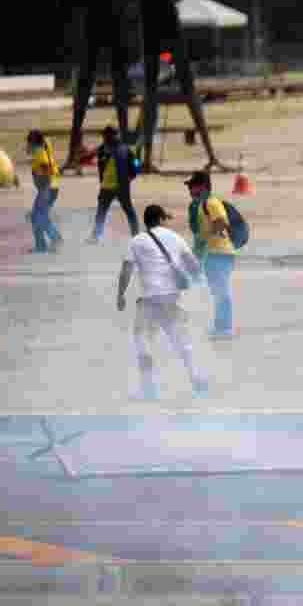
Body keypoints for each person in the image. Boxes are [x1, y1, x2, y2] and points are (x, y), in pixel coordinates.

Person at [117, 204, 208, 400]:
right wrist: (196, 284)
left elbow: (126, 270)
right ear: (159, 219)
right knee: (182, 341)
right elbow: (194, 266)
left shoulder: (136, 241)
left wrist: (120, 295)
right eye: (165, 218)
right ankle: (195, 378)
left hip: (149, 300)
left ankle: (149, 388)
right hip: (171, 298)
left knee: (142, 341)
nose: (167, 222)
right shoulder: (175, 237)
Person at [185, 171, 236, 337]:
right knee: (217, 291)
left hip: (220, 252)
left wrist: (207, 237)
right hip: (214, 252)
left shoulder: (211, 203)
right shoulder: (202, 205)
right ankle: (220, 326)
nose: (190, 190)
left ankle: (225, 328)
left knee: (221, 290)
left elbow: (221, 222)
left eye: (192, 186)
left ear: (203, 187)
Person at [88, 125, 139, 243]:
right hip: (106, 187)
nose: (106, 138)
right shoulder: (102, 149)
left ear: (116, 136)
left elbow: (136, 161)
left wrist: (133, 174)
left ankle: (136, 236)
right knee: (101, 212)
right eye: (105, 135)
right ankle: (95, 236)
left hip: (121, 187)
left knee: (129, 210)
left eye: (109, 135)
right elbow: (90, 157)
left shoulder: (125, 149)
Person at [26, 130, 63, 253]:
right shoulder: (43, 147)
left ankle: (50, 240)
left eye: (28, 143)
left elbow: (46, 167)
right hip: (51, 187)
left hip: (47, 188)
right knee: (39, 216)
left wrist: (44, 190)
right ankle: (44, 243)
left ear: (33, 142)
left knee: (37, 216)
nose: (27, 146)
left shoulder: (40, 152)